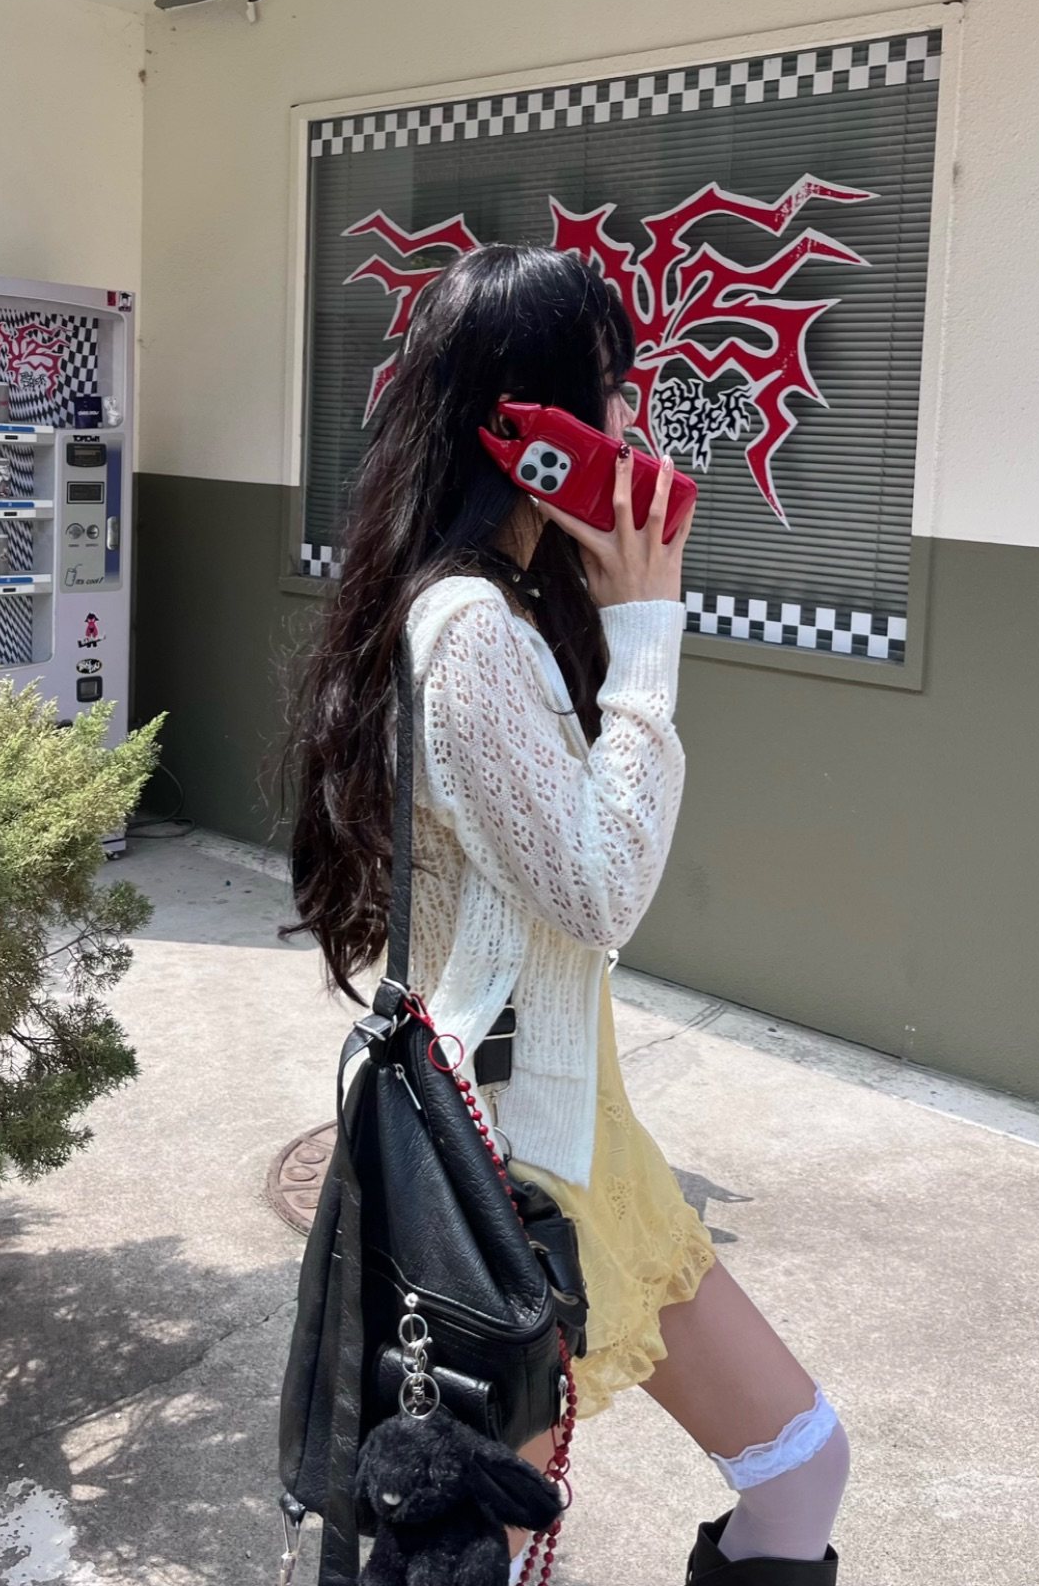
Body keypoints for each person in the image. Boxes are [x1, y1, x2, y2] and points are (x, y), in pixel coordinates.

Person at [284, 244, 850, 1582]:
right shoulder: (468, 629)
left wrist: (613, 613)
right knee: (480, 1552)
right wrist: (650, 633)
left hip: (582, 1143)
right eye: (608, 387)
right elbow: (600, 892)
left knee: (801, 1466)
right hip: (510, 1172)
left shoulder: (514, 608)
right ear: (523, 430)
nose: (631, 419)